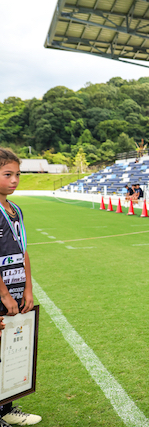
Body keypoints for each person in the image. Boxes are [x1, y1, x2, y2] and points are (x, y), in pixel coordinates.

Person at [0, 148, 41, 427]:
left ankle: (6, 407)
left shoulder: (16, 210)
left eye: (17, 174)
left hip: (16, 288)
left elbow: (24, 251)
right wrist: (3, 294)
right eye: (7, 174)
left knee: (9, 350)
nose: (15, 180)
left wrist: (27, 289)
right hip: (1, 290)